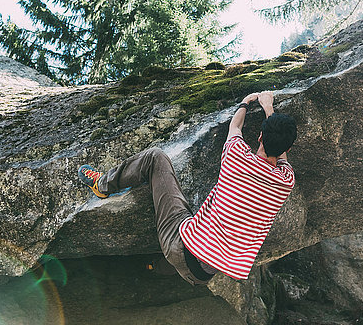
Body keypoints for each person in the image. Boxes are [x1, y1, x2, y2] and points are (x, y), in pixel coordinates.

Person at [77, 91, 297, 285]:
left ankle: (102, 184)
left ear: (259, 136)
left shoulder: (237, 155)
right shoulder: (286, 182)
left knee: (155, 157)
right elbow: (280, 152)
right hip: (206, 274)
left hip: (181, 246)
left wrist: (250, 103)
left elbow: (235, 126)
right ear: (288, 148)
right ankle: (154, 268)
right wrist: (272, 119)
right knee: (192, 241)